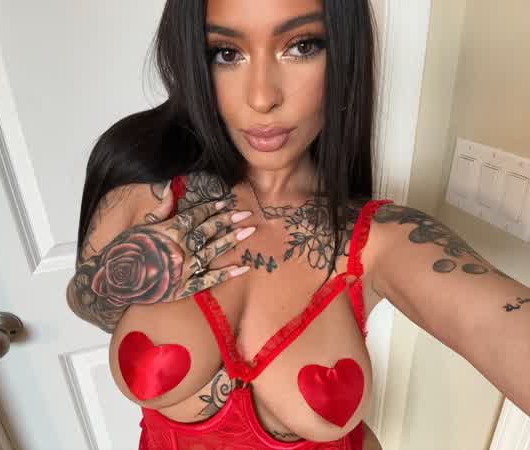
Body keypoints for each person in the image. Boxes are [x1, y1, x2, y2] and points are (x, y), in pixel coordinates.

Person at [66, 0, 530, 449]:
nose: (262, 97)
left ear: (343, 52)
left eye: (302, 46)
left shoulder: (381, 240)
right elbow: (88, 304)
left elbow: (495, 324)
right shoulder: (143, 181)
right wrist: (116, 281)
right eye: (226, 53)